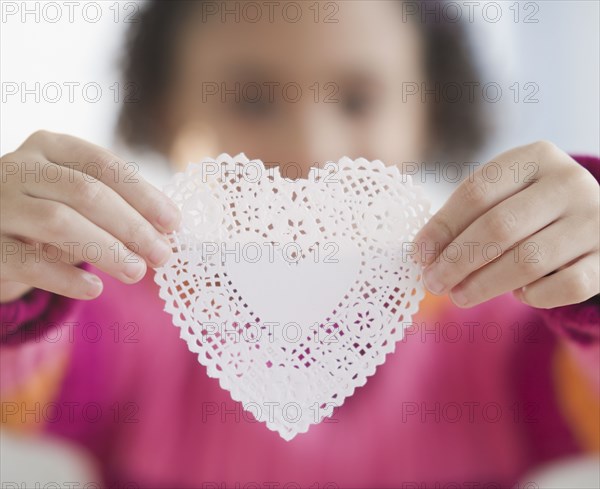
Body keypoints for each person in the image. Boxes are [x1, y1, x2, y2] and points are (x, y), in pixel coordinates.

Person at [1, 1, 598, 487]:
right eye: (252, 100)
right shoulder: (123, 307)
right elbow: (25, 382)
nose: (311, 152)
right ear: (164, 112)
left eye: (359, 99)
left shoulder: (511, 323)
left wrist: (587, 280)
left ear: (432, 111)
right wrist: (16, 282)